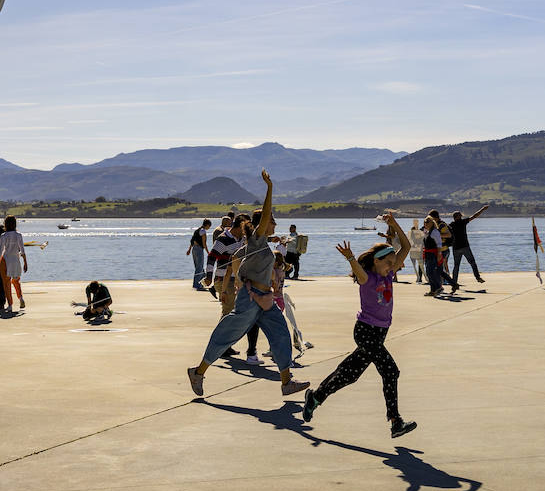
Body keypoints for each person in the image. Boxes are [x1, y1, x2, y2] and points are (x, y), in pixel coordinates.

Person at [187, 171, 309, 400]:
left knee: (281, 334)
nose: (274, 224)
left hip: (264, 300)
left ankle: (286, 382)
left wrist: (242, 275)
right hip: (250, 299)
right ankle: (198, 372)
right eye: (272, 220)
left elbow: (238, 259)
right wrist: (270, 188)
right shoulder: (256, 239)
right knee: (227, 334)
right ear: (262, 223)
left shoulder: (256, 244)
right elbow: (250, 242)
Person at [302, 213, 417, 439]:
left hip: (379, 334)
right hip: (366, 332)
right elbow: (358, 270)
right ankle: (395, 421)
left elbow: (406, 245)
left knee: (348, 374)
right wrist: (351, 258)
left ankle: (315, 397)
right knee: (391, 371)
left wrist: (394, 224)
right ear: (376, 261)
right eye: (388, 263)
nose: (393, 267)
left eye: (394, 263)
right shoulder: (368, 279)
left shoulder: (388, 274)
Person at [448, 206, 489, 286]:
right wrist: (482, 209)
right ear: (457, 217)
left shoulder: (451, 225)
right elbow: (474, 216)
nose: (461, 217)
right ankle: (477, 277)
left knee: (456, 266)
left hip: (456, 248)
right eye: (460, 215)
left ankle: (454, 283)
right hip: (465, 247)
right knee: (472, 262)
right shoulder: (463, 222)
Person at [0, 215, 28, 312]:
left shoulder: (3, 236)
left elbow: (0, 251)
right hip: (16, 260)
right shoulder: (19, 235)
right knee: (16, 281)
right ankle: (20, 298)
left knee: (6, 283)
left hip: (5, 260)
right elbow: (22, 250)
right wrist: (25, 263)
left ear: (5, 224)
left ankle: (10, 305)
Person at [420, 216, 448, 296]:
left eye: (427, 222)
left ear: (432, 223)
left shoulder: (435, 232)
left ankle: (437, 288)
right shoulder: (427, 231)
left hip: (433, 254)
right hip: (428, 254)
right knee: (429, 273)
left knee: (431, 272)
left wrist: (439, 254)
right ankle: (434, 289)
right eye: (424, 222)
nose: (425, 223)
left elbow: (439, 244)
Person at [187, 219, 212, 290]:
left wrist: (189, 250)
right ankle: (196, 285)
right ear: (207, 225)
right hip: (199, 250)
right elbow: (204, 244)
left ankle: (201, 284)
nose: (209, 228)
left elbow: (192, 240)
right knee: (199, 268)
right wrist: (208, 252)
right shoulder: (203, 231)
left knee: (199, 267)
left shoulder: (197, 230)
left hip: (194, 249)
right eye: (209, 226)